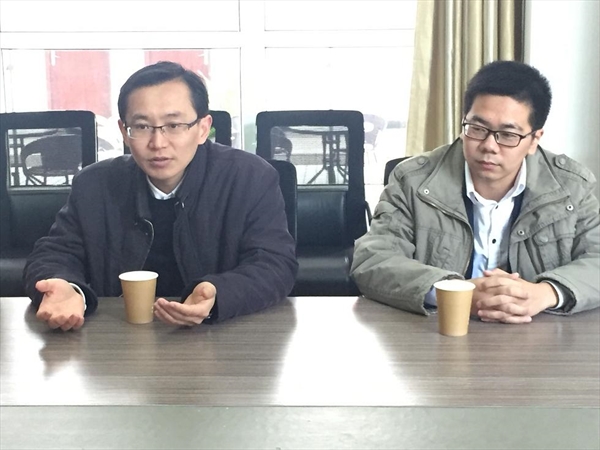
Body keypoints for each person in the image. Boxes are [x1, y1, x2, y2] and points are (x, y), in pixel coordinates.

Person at [24, 61, 298, 331]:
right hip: (117, 338)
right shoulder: (94, 185)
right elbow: (54, 254)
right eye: (142, 127)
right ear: (124, 132)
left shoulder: (249, 178)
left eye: (174, 125)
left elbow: (275, 264)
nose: (158, 143)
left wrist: (218, 293)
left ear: (203, 128)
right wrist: (66, 287)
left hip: (221, 337)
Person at [351, 60, 599, 324]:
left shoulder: (572, 186)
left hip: (540, 336)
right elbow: (372, 260)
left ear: (534, 139)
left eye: (508, 134)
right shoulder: (412, 180)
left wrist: (545, 293)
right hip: (439, 332)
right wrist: (455, 293)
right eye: (477, 129)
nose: (489, 145)